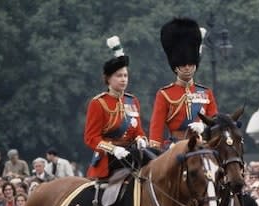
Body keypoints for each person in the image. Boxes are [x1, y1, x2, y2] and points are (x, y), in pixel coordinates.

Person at [149, 17, 218, 150]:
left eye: (191, 64)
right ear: (175, 67)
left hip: (202, 145)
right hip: (175, 147)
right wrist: (154, 151)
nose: (187, 68)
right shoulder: (164, 94)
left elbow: (215, 123)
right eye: (183, 64)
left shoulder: (206, 93)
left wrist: (203, 126)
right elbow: (156, 128)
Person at [84, 35, 147, 179]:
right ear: (108, 79)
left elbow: (137, 130)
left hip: (131, 157)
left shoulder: (133, 101)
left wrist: (141, 139)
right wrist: (112, 149)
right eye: (119, 76)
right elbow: (91, 138)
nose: (123, 79)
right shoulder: (98, 103)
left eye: (125, 75)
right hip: (108, 161)